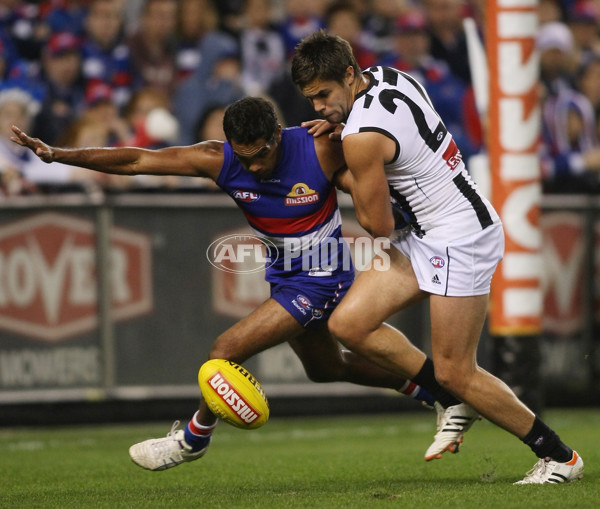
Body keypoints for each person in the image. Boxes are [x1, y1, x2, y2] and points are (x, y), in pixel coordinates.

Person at [11, 96, 456, 472]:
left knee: (224, 351)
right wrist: (58, 153)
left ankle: (192, 439)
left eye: (261, 154)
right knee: (326, 369)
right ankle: (439, 390)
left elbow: (384, 150)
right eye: (245, 157)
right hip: (285, 278)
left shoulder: (320, 147)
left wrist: (343, 123)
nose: (255, 167)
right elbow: (136, 159)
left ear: (278, 134)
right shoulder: (219, 160)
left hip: (323, 277)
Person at [290, 30, 584, 484]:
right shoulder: (391, 76)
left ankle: (560, 457)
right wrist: (345, 130)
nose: (318, 108)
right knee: (349, 325)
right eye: (310, 100)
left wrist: (334, 170)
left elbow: (378, 226)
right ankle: (449, 399)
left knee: (455, 370)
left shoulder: (361, 136)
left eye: (324, 95)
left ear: (349, 75)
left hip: (458, 237)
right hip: (432, 228)